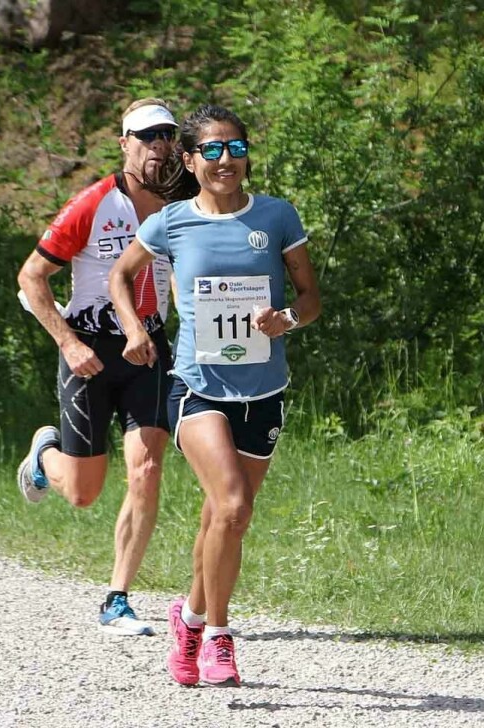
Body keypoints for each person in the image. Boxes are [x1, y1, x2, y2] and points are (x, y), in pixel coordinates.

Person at [108, 104, 321, 685]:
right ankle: (220, 638)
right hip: (197, 388)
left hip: (264, 390)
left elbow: (310, 300)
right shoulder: (172, 222)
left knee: (224, 522)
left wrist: (286, 320)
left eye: (237, 148)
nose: (227, 160)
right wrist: (133, 330)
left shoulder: (277, 217)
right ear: (190, 158)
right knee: (232, 505)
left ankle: (191, 619)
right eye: (213, 150)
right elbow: (120, 276)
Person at [15, 98, 178, 636]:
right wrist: (67, 344)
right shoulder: (92, 202)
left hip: (149, 350)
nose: (157, 146)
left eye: (166, 136)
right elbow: (31, 278)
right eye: (145, 136)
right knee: (84, 493)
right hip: (89, 350)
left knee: (146, 470)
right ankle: (45, 455)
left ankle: (117, 597)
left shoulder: (183, 205)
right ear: (124, 143)